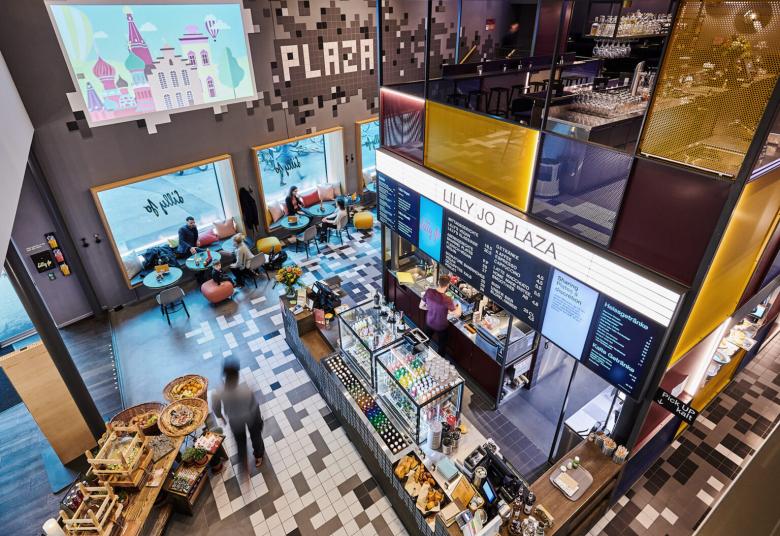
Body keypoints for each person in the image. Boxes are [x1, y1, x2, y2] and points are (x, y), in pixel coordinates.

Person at [212, 358, 265, 471]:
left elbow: (215, 406)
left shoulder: (219, 391)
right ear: (237, 376)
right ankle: (259, 456)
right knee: (256, 436)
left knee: (240, 443)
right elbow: (254, 406)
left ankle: (244, 464)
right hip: (251, 416)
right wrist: (259, 422)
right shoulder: (245, 390)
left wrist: (220, 416)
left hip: (235, 421)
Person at [421, 275, 461, 358]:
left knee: (425, 341)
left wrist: (432, 308)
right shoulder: (447, 299)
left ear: (438, 282)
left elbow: (421, 306)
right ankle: (440, 360)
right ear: (448, 285)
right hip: (441, 326)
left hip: (429, 322)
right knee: (442, 346)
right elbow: (457, 314)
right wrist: (459, 305)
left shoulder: (429, 291)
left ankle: (421, 355)